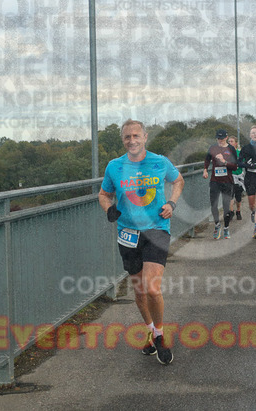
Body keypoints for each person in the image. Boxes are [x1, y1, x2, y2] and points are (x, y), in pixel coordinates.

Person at [98, 119, 185, 365]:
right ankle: (152, 332)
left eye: (136, 136)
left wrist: (172, 203)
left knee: (152, 288)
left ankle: (159, 335)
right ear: (123, 140)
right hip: (128, 234)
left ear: (145, 137)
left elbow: (178, 180)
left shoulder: (160, 162)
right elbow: (104, 194)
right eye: (127, 137)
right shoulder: (114, 166)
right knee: (139, 292)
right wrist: (108, 209)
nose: (132, 140)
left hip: (156, 229)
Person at [203, 129, 238, 239]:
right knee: (213, 205)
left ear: (226, 138)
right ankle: (217, 225)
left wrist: (224, 162)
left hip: (227, 181)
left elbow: (235, 166)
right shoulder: (212, 148)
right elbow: (207, 159)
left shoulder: (231, 149)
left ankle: (226, 227)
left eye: (222, 138)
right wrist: (205, 169)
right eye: (218, 138)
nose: (220, 140)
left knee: (226, 206)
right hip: (215, 181)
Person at [227, 136, 244, 221]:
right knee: (230, 196)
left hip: (238, 176)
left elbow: (243, 163)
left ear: (236, 143)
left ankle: (238, 211)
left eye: (232, 141)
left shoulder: (239, 153)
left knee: (238, 197)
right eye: (229, 141)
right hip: (230, 177)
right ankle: (231, 212)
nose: (230, 143)